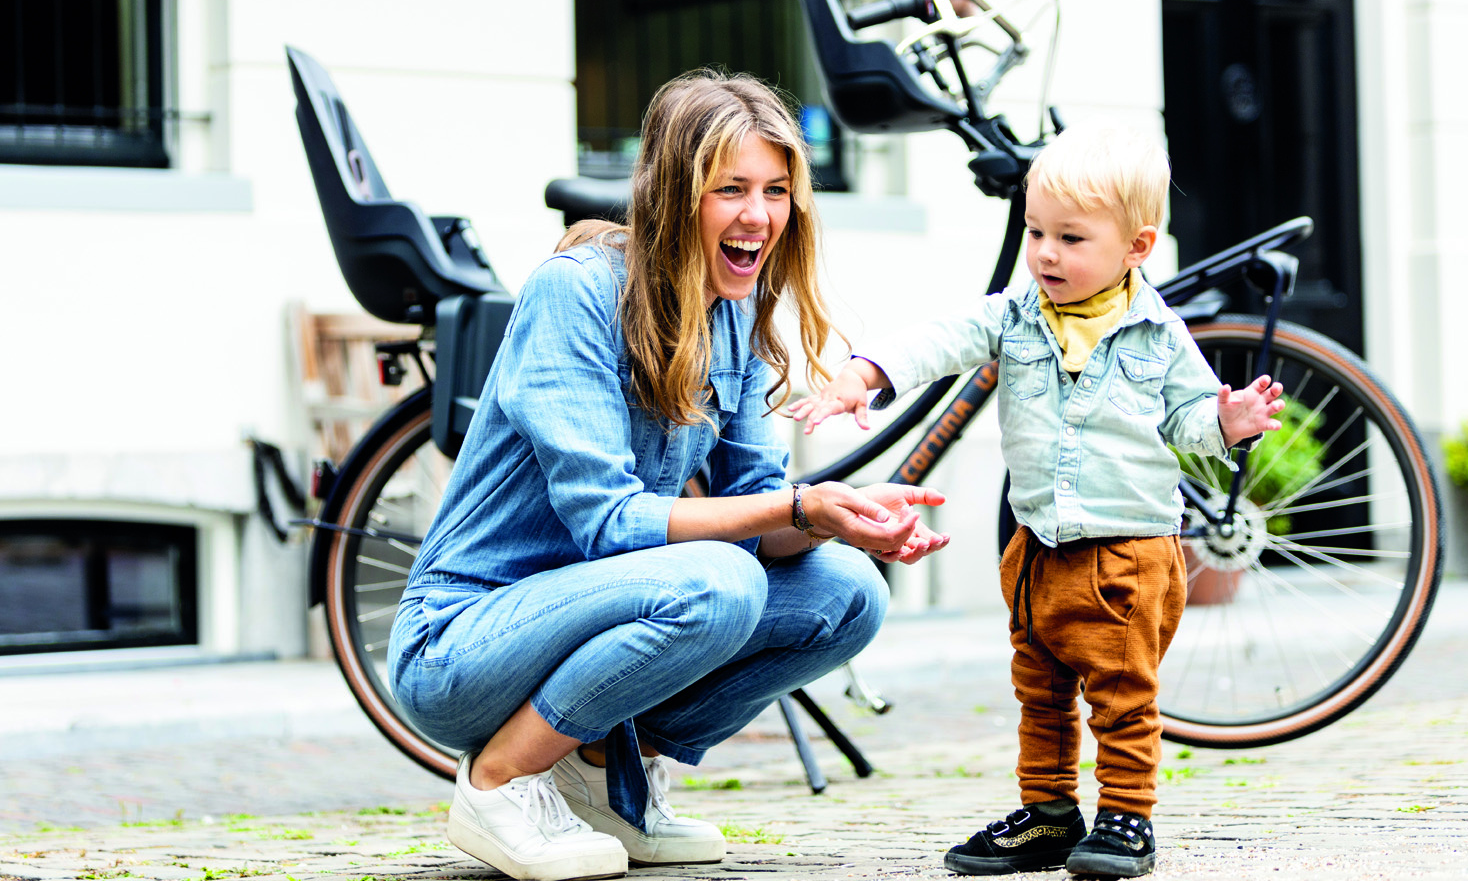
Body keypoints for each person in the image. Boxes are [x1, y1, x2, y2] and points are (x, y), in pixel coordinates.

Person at [387, 69, 950, 881]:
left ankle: (601, 779)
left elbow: (761, 515)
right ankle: (501, 780)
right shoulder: (574, 294)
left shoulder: (738, 317)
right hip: (463, 645)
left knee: (847, 592)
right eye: (731, 189)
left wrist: (835, 516)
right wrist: (793, 505)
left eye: (776, 191)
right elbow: (611, 525)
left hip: (604, 613)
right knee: (718, 581)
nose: (759, 216)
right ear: (674, 195)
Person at [789, 126, 1285, 878]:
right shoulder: (1017, 315)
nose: (1046, 252)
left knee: (1122, 694)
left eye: (1071, 238)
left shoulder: (1159, 337)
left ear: (1137, 247)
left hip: (1128, 551)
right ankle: (1050, 814)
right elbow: (944, 339)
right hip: (1037, 547)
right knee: (1041, 688)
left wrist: (1228, 420)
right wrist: (868, 372)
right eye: (1036, 231)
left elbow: (1188, 419)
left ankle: (1126, 818)